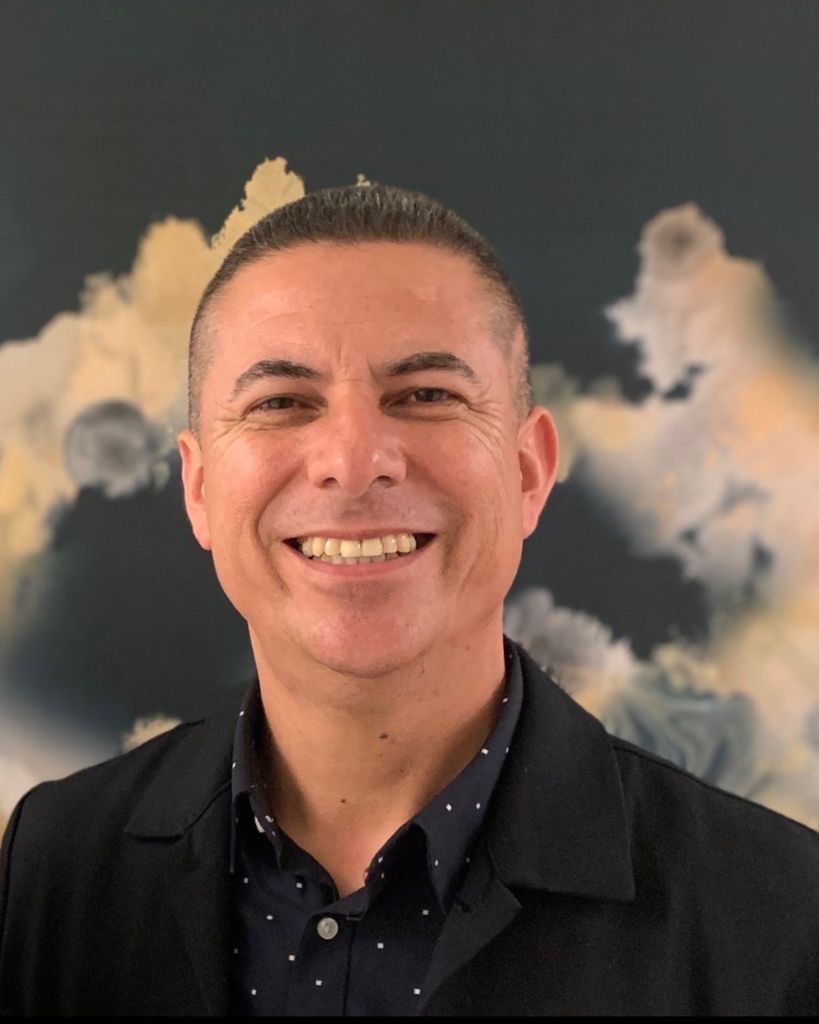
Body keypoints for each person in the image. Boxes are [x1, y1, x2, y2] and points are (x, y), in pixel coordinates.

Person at [1, 184, 818, 1017]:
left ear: (529, 472)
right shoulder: (51, 871)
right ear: (199, 488)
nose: (353, 461)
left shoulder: (779, 917)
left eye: (426, 395)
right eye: (281, 403)